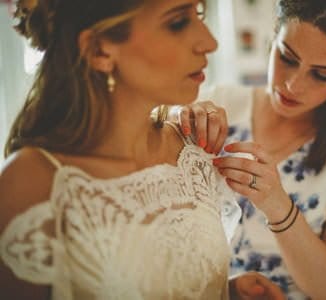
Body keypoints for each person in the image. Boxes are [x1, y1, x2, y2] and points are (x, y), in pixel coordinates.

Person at [0, 0, 283, 299]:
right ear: (100, 50)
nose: (209, 42)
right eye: (176, 23)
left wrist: (227, 291)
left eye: (197, 13)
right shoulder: (29, 188)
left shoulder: (190, 153)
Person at [167, 0, 326, 298]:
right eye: (287, 57)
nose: (292, 85)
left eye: (321, 75)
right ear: (272, 37)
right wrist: (172, 117)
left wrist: (277, 204)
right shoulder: (220, 102)